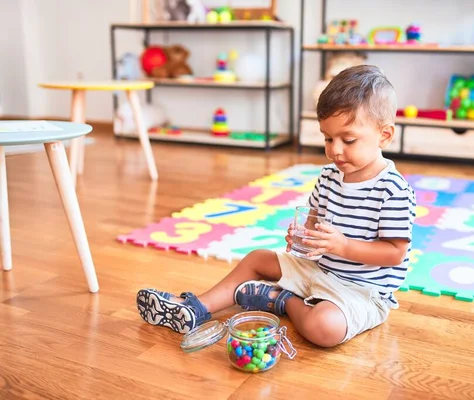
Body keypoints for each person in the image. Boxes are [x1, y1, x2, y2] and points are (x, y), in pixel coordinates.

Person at [136, 64, 416, 347]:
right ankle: (196, 308)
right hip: (319, 270)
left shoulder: (393, 190)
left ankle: (282, 301)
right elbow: (313, 224)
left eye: (349, 139)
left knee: (324, 328)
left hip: (361, 291)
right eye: (328, 138)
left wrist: (342, 246)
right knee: (258, 258)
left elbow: (394, 253)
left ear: (385, 135)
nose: (335, 150)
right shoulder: (330, 176)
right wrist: (302, 238)